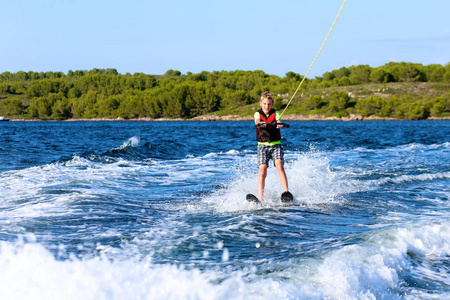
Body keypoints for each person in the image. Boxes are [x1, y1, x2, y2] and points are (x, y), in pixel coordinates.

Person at [254, 91, 289, 202]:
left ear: (272, 104)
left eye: (269, 104)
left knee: (279, 165)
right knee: (262, 170)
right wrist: (266, 124)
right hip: (262, 146)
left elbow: (278, 122)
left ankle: (286, 193)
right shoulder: (257, 114)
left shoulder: (276, 113)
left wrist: (279, 125)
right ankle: (260, 199)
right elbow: (258, 122)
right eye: (264, 104)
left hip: (276, 145)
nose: (266, 106)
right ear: (261, 103)